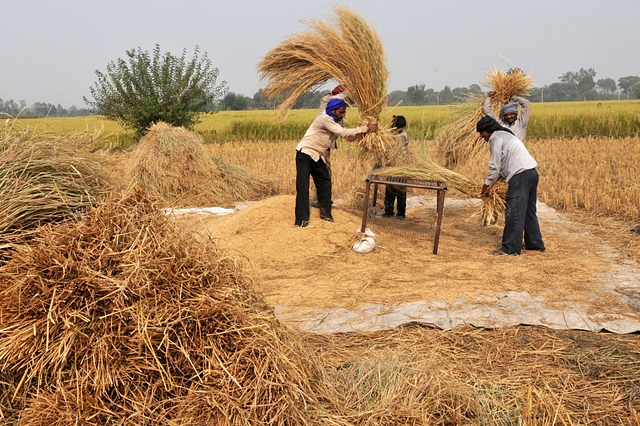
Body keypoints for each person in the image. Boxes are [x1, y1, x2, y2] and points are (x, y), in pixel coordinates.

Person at [295, 98, 377, 227]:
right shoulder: (325, 118)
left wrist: (364, 134)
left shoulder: (335, 122)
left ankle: (326, 214)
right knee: (303, 187)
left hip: (317, 156)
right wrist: (365, 128)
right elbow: (343, 132)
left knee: (325, 182)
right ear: (332, 110)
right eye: (341, 112)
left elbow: (347, 137)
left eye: (344, 112)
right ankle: (301, 221)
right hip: (305, 154)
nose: (343, 115)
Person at [476, 115, 545, 256]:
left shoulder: (495, 138)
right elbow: (504, 163)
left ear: (487, 130)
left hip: (520, 176)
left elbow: (495, 165)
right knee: (528, 212)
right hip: (531, 172)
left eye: (481, 132)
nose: (481, 136)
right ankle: (535, 244)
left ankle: (510, 248)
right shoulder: (506, 134)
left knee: (514, 212)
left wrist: (487, 185)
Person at [311, 85, 348, 208]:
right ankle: (320, 201)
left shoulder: (328, 102)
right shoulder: (331, 103)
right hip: (320, 145)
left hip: (323, 144)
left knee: (324, 173)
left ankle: (322, 200)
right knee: (325, 173)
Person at [382, 115, 409, 220]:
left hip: (400, 165)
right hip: (391, 165)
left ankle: (401, 214)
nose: (397, 129)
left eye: (399, 128)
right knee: (389, 189)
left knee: (400, 190)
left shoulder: (402, 136)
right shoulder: (392, 133)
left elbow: (394, 147)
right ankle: (388, 211)